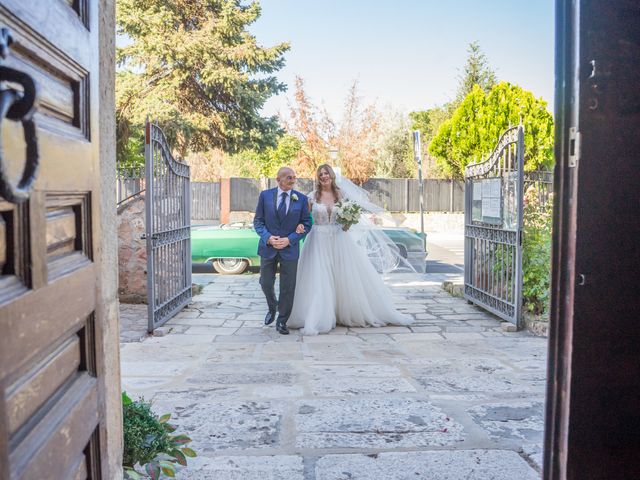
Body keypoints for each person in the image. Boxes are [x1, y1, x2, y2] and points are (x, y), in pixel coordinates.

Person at [287, 164, 413, 335]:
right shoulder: (311, 197)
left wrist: (348, 222)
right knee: (319, 277)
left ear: (331, 175)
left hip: (340, 239)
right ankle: (319, 315)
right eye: (320, 174)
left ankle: (345, 311)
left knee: (344, 276)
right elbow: (304, 218)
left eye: (326, 173)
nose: (323, 176)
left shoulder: (342, 195)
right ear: (318, 178)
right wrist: (298, 228)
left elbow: (351, 216)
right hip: (317, 240)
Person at [253, 167, 312, 334]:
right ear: (278, 179)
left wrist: (290, 239)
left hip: (289, 249)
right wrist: (268, 238)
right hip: (268, 248)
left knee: (288, 286)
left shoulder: (301, 199)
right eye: (288, 177)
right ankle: (273, 307)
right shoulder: (265, 196)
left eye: (294, 177)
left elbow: (307, 224)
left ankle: (282, 321)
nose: (292, 180)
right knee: (265, 282)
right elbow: (258, 222)